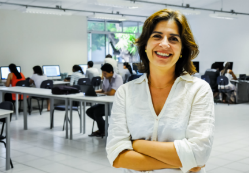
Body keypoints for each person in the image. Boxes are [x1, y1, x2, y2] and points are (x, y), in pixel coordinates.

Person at [106, 9, 215, 173]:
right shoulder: (125, 92)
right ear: (145, 45)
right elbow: (117, 157)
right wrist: (183, 161)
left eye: (173, 39)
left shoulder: (199, 90)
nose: (164, 44)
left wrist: (136, 144)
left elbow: (199, 155)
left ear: (181, 50)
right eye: (157, 36)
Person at [86, 63, 123, 137]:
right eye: (103, 73)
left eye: (105, 73)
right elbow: (103, 90)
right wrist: (94, 91)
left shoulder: (118, 78)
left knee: (97, 112)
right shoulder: (106, 79)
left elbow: (112, 92)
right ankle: (105, 127)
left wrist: (104, 93)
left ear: (111, 72)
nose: (103, 75)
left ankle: (102, 130)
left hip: (114, 104)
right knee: (89, 111)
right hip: (105, 102)